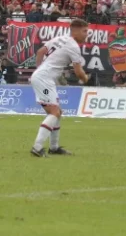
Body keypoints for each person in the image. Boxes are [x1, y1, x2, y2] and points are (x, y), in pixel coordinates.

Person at [30, 19, 91, 157]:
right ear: (75, 30)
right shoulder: (73, 46)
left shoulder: (60, 38)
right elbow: (79, 72)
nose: (86, 34)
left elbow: (40, 52)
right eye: (84, 31)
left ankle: (54, 147)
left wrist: (40, 70)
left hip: (43, 77)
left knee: (57, 112)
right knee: (54, 112)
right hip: (44, 79)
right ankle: (37, 147)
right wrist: (87, 79)